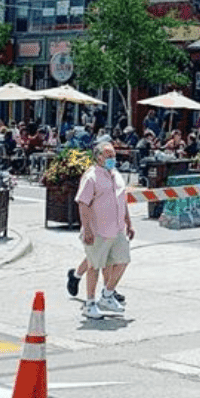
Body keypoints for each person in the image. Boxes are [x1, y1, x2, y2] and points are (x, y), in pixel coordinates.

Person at [74, 136, 134, 319]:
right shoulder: (91, 177)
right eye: (108, 155)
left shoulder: (115, 174)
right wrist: (88, 229)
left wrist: (129, 223)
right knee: (94, 266)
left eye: (114, 155)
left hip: (117, 229)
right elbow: (83, 203)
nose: (112, 158)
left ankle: (107, 294)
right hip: (98, 230)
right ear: (98, 157)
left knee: (122, 260)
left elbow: (121, 200)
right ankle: (90, 303)